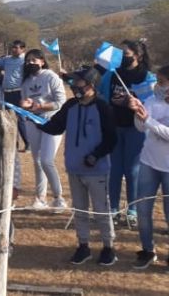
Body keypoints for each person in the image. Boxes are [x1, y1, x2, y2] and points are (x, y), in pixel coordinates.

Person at [36, 66, 117, 266]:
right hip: (74, 167)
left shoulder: (103, 107)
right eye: (72, 82)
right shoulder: (70, 105)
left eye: (78, 82)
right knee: (79, 210)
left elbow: (111, 139)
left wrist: (95, 156)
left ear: (90, 85)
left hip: (97, 170)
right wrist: (32, 116)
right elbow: (55, 127)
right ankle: (83, 246)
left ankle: (108, 247)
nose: (74, 86)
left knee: (101, 210)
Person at [100, 39, 154, 226]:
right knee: (114, 170)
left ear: (138, 56)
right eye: (120, 53)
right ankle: (113, 209)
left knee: (132, 171)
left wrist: (134, 104)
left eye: (126, 54)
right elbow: (101, 94)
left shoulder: (147, 77)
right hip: (115, 126)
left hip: (136, 129)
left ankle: (133, 210)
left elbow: (152, 103)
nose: (122, 57)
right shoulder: (112, 74)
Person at [129, 65, 169, 269]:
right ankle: (147, 250)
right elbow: (140, 127)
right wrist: (138, 114)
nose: (157, 86)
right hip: (148, 163)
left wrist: (149, 120)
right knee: (143, 210)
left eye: (161, 82)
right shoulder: (152, 101)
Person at [20, 49, 67, 210]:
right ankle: (40, 199)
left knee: (47, 160)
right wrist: (25, 105)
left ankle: (59, 198)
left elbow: (61, 101)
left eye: (34, 60)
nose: (31, 63)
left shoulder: (51, 77)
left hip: (52, 122)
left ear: (42, 61)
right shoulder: (26, 81)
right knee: (37, 161)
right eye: (28, 60)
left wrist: (40, 106)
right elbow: (25, 100)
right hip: (32, 122)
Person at [0, 40, 29, 150]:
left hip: (19, 92)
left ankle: (28, 143)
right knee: (10, 119)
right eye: (13, 47)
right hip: (7, 93)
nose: (14, 49)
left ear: (23, 49)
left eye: (16, 47)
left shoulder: (26, 60)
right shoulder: (7, 60)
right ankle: (14, 144)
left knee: (20, 119)